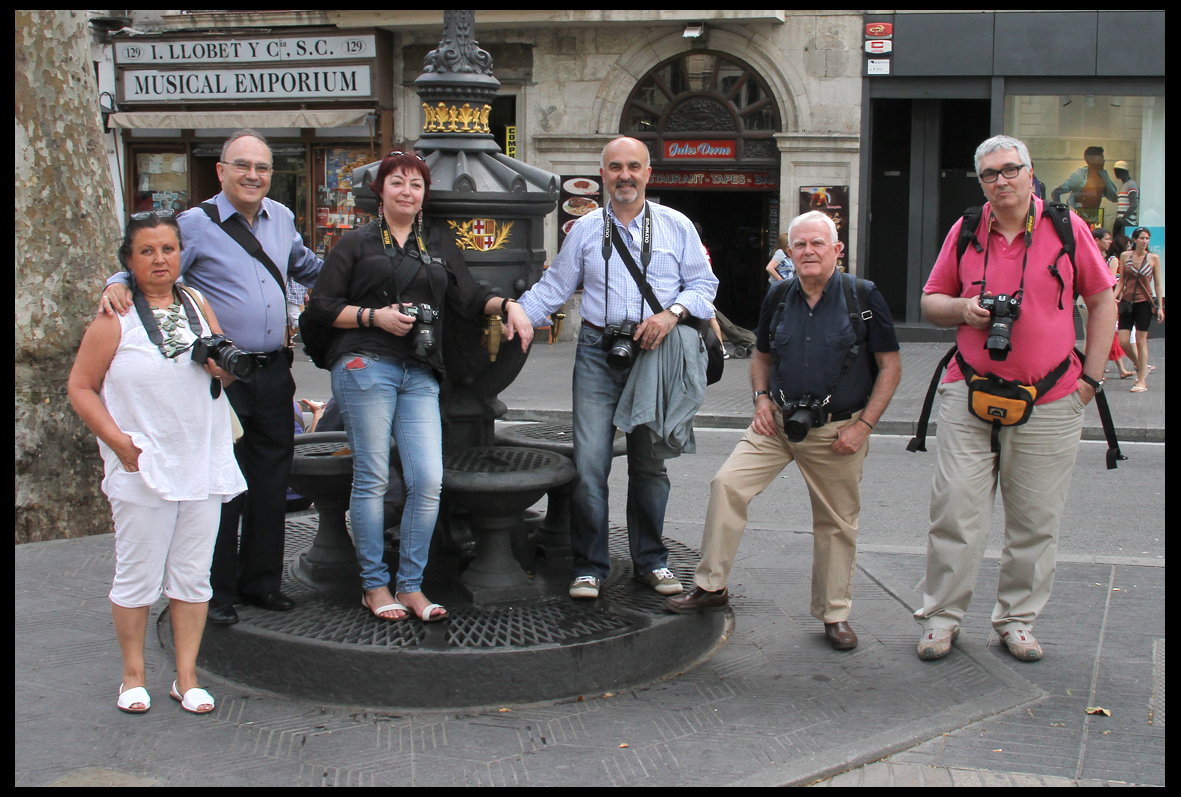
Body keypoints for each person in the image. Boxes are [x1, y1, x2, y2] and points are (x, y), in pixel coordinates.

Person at [99, 129, 323, 626]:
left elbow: (308, 268)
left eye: (262, 167)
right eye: (242, 165)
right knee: (222, 485)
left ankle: (262, 583)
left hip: (273, 372)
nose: (253, 175)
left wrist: (366, 275)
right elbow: (152, 259)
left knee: (270, 483)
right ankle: (215, 592)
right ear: (221, 172)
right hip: (220, 374)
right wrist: (115, 285)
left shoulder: (282, 218)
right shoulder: (195, 224)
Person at [303, 149, 533, 622]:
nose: (407, 192)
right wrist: (374, 317)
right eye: (397, 183)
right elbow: (323, 306)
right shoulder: (356, 243)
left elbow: (469, 298)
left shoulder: (437, 242)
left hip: (421, 371)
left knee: (427, 479)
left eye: (415, 184)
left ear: (425, 194)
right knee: (372, 477)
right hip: (366, 365)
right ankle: (374, 585)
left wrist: (508, 305)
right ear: (380, 191)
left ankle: (410, 585)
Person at [914, 135, 1117, 663]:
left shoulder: (1066, 228)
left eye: (1010, 170)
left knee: (1034, 519)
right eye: (989, 174)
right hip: (969, 390)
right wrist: (965, 309)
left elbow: (1101, 300)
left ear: (1030, 172)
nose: (1001, 181)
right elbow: (931, 301)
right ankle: (941, 618)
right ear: (980, 181)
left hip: (1051, 395)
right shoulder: (966, 230)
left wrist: (1090, 382)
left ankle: (1016, 620)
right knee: (955, 510)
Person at [664, 211, 902, 651]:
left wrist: (864, 426)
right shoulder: (777, 295)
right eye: (799, 245)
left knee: (835, 523)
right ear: (788, 252)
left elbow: (890, 367)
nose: (808, 251)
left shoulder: (862, 296)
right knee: (726, 486)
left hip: (837, 430)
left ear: (837, 250)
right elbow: (762, 354)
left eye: (817, 244)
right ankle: (711, 588)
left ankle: (834, 615)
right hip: (776, 422)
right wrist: (759, 398)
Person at [516, 136, 719, 600]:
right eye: (614, 167)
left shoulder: (676, 225)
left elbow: (705, 285)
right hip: (596, 352)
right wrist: (517, 315)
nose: (624, 175)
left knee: (650, 466)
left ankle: (651, 561)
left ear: (649, 173)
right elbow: (555, 287)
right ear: (603, 174)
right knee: (589, 466)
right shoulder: (585, 230)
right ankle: (590, 566)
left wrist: (671, 315)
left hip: (655, 354)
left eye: (633, 166)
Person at [68, 212, 247, 714]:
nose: (159, 259)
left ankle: (186, 677)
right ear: (129, 260)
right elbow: (80, 387)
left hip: (202, 458)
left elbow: (220, 374)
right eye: (146, 251)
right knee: (137, 576)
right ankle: (132, 676)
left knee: (193, 576)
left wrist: (226, 368)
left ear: (181, 254)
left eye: (168, 248)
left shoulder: (196, 302)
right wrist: (117, 440)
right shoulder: (114, 317)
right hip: (142, 462)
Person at [1116, 227, 1164, 393]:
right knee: (1123, 340)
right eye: (1142, 238)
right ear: (1134, 240)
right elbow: (1121, 281)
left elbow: (1157, 283)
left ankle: (1141, 380)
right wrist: (1114, 297)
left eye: (1147, 239)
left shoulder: (1153, 258)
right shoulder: (1125, 256)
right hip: (1127, 301)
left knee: (1140, 340)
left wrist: (1159, 307)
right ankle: (1141, 365)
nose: (1145, 241)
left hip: (1144, 302)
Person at [1091, 228, 1135, 379]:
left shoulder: (1104, 257)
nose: (1109, 241)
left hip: (1104, 299)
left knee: (1110, 336)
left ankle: (1122, 368)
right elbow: (1109, 281)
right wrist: (1111, 299)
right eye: (1107, 239)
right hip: (1102, 300)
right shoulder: (1114, 260)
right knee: (1098, 336)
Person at [1051, 145, 1118, 211]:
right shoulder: (1079, 176)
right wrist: (1059, 212)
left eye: (1103, 159)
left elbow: (1112, 197)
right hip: (1077, 217)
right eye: (1101, 159)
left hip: (1094, 217)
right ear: (1091, 159)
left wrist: (1125, 198)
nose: (1104, 161)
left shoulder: (1103, 177)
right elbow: (1056, 192)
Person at [1111, 160, 1139, 238]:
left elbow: (1134, 205)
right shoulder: (1124, 185)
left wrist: (1123, 219)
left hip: (1127, 222)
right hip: (1121, 220)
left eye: (1117, 171)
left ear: (1123, 171)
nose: (1115, 173)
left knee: (1122, 244)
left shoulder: (1131, 184)